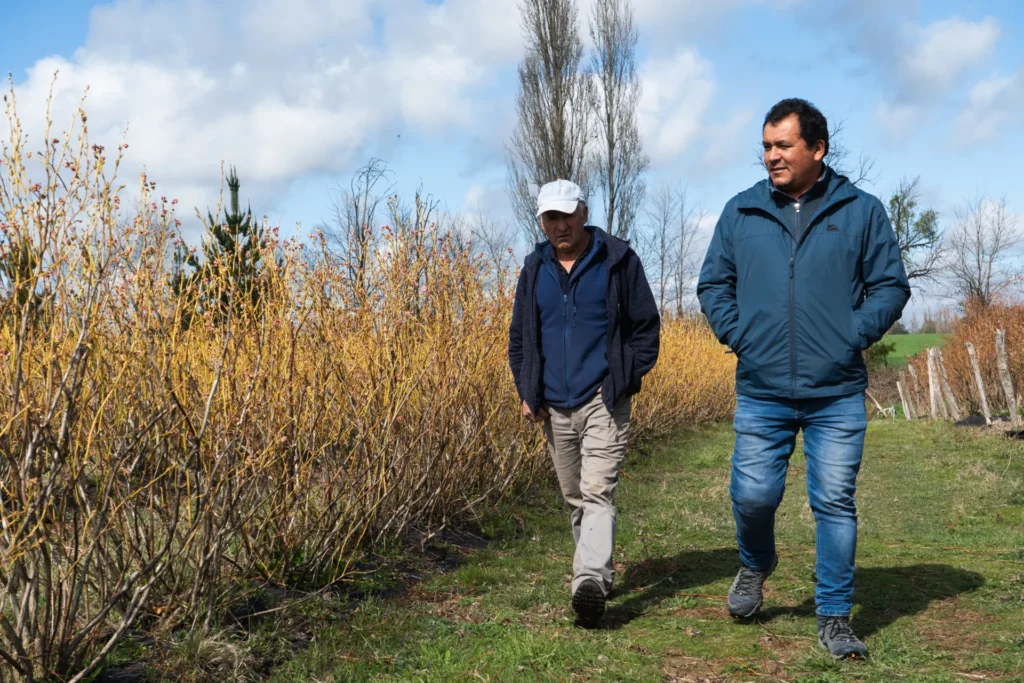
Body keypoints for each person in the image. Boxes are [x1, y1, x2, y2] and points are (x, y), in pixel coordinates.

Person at [697, 98, 910, 659]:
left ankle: (835, 616)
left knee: (834, 502)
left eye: (783, 145)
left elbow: (890, 286)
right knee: (752, 496)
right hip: (761, 388)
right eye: (766, 146)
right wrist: (741, 336)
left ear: (817, 148)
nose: (771, 156)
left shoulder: (861, 211)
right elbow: (713, 285)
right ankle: (754, 564)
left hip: (836, 390)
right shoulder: (740, 212)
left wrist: (850, 333)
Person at [508, 179, 660, 628]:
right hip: (553, 405)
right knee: (576, 497)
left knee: (597, 492)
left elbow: (646, 327)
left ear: (584, 213)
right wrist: (526, 389)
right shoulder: (534, 269)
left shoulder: (617, 261)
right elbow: (520, 339)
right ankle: (597, 577)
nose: (560, 226)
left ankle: (588, 580)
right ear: (541, 221)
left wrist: (623, 379)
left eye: (567, 215)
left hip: (602, 399)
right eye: (550, 218)